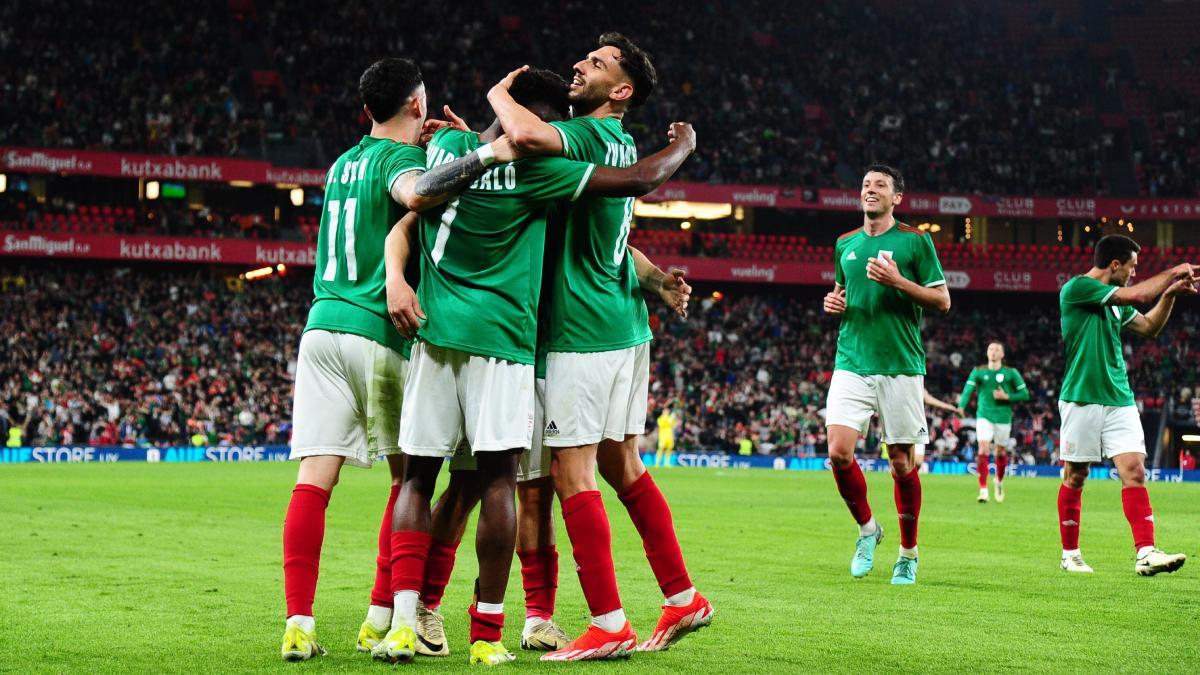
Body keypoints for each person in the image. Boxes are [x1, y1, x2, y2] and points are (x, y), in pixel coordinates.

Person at [371, 66, 698, 666]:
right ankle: (473, 621)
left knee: (493, 483)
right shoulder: (541, 167)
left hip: (512, 338)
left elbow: (410, 219)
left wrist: (394, 278)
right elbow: (630, 190)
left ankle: (487, 613)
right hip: (529, 342)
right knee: (503, 484)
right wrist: (682, 144)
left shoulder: (464, 149)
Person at [280, 56, 517, 662]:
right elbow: (417, 192)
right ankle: (380, 617)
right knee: (407, 478)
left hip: (320, 328)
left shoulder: (342, 162)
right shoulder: (398, 160)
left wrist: (473, 138)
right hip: (378, 334)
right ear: (417, 104)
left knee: (314, 480)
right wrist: (486, 151)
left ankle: (299, 625)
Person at [488, 34, 713, 660]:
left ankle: (608, 622)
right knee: (624, 466)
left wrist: (497, 96)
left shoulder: (590, 135)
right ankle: (682, 596)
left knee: (570, 472)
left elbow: (529, 138)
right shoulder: (619, 144)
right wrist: (658, 280)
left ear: (621, 92)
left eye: (598, 62)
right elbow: (605, 240)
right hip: (624, 328)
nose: (581, 62)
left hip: (580, 335)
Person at [822, 163, 950, 586]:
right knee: (839, 451)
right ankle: (867, 530)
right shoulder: (845, 244)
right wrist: (834, 305)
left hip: (900, 364)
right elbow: (843, 293)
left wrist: (898, 282)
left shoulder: (916, 242)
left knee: (900, 463)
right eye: (865, 184)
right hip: (852, 361)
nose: (870, 190)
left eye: (880, 185)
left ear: (897, 198)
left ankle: (908, 554)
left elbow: (942, 301)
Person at [1055, 234, 1192, 575]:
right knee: (1076, 475)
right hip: (1081, 397)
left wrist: (1170, 295)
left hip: (1119, 398)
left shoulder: (1117, 303)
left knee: (1134, 471)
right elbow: (1142, 293)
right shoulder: (1077, 289)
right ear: (1114, 265)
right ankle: (1070, 554)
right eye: (1132, 266)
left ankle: (1145, 553)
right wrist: (1173, 272)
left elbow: (1148, 327)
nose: (1134, 272)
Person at [958, 342, 1029, 503]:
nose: (993, 352)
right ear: (987, 352)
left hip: (1003, 418)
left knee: (1000, 452)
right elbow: (968, 390)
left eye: (997, 350)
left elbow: (1025, 394)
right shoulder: (978, 371)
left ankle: (999, 481)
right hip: (984, 415)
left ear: (1002, 354)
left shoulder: (1011, 373)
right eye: (990, 349)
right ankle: (983, 490)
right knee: (983, 449)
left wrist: (1008, 396)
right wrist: (961, 406)